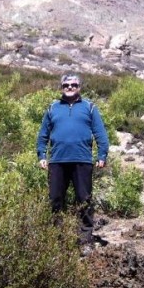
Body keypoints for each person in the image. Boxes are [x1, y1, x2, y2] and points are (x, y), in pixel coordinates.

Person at [36, 73, 109, 245]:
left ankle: (85, 238)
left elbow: (100, 134)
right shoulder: (52, 108)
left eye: (74, 85)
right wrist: (41, 155)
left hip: (82, 160)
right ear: (61, 87)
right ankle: (57, 238)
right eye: (66, 85)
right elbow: (43, 135)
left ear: (79, 87)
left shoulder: (89, 107)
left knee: (84, 199)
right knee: (55, 199)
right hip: (57, 161)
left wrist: (102, 154)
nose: (70, 88)